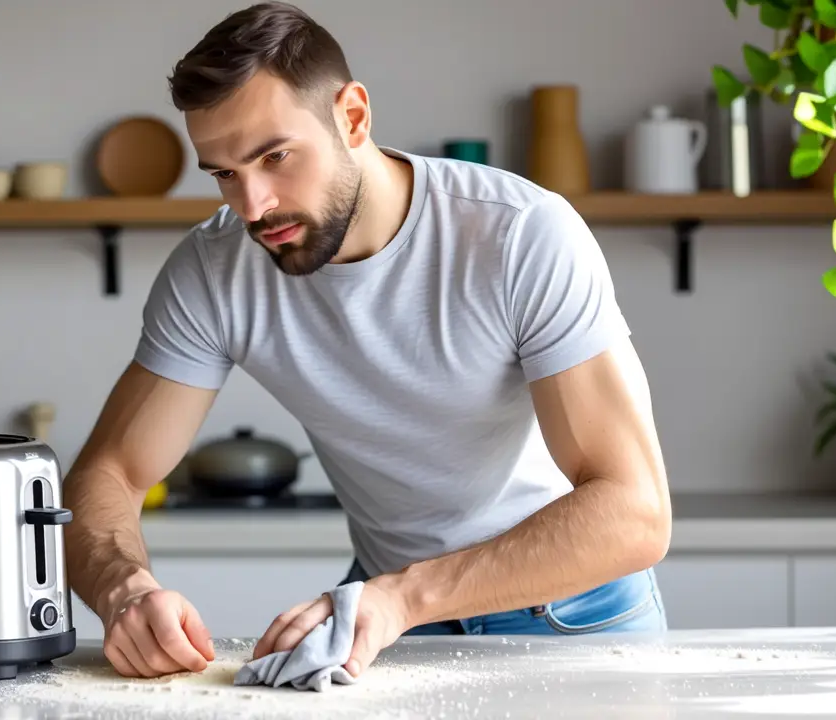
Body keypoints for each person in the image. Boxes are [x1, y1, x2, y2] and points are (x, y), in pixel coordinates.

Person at [63, 1, 673, 682]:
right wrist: (124, 591)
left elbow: (634, 511)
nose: (253, 205)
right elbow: (106, 474)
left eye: (274, 156)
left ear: (352, 116)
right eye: (224, 173)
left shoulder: (520, 235)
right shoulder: (215, 269)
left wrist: (401, 597)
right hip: (384, 616)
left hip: (572, 612)